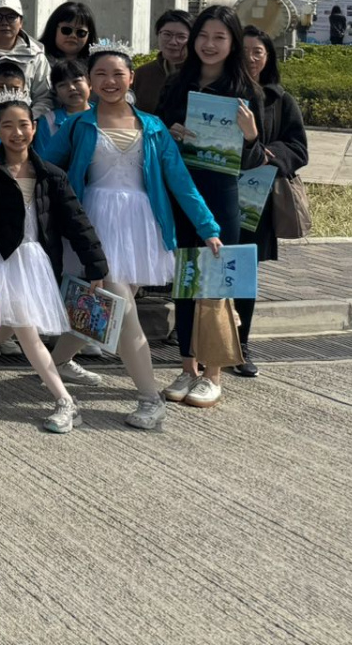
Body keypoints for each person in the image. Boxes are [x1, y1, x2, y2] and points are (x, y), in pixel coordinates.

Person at [41, 40, 223, 430]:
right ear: (90, 81)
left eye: (117, 74)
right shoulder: (78, 124)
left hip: (141, 227)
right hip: (95, 223)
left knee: (106, 307)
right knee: (120, 307)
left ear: (131, 78)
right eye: (101, 74)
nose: (110, 81)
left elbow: (180, 181)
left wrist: (208, 227)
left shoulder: (153, 127)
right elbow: (44, 166)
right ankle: (150, 398)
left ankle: (54, 363)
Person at [0, 88, 109, 433]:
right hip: (2, 262)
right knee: (26, 329)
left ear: (34, 127)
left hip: (35, 262)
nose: (17, 132)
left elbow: (77, 221)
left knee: (1, 327)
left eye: (24, 124)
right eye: (8, 126)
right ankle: (65, 401)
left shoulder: (51, 174)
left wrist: (96, 266)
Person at [157, 6, 257, 408]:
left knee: (214, 282)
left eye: (219, 37)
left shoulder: (246, 90)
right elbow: (156, 137)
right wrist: (169, 132)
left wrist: (251, 136)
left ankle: (213, 374)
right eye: (203, 35)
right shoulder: (177, 84)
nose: (209, 44)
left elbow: (254, 161)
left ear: (233, 43)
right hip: (183, 193)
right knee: (186, 282)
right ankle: (187, 367)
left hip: (222, 195)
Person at [237, 26, 309, 377]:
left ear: (268, 58)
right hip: (213, 194)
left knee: (243, 274)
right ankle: (204, 344)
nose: (251, 58)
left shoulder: (279, 100)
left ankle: (240, 345)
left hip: (255, 200)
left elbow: (298, 148)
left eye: (258, 52)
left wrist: (270, 153)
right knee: (209, 270)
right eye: (244, 51)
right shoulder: (216, 93)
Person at [133, 10, 193, 112]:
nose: (173, 42)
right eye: (167, 34)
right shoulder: (142, 74)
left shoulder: (202, 74)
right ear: (158, 34)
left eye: (181, 37)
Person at [43, 56, 91, 143]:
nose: (71, 88)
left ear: (89, 83)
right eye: (62, 85)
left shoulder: (104, 115)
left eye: (76, 81)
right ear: (55, 91)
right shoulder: (48, 121)